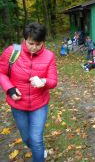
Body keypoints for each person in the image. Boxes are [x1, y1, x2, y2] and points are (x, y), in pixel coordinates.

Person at [0, 22, 58, 161]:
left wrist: (43, 81)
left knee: (36, 139)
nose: (34, 48)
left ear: (43, 41)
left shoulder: (49, 56)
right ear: (25, 39)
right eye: (31, 43)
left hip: (39, 105)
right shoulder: (12, 51)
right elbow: (2, 73)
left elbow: (53, 81)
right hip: (18, 105)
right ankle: (38, 150)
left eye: (38, 44)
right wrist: (10, 89)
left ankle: (38, 152)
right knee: (27, 138)